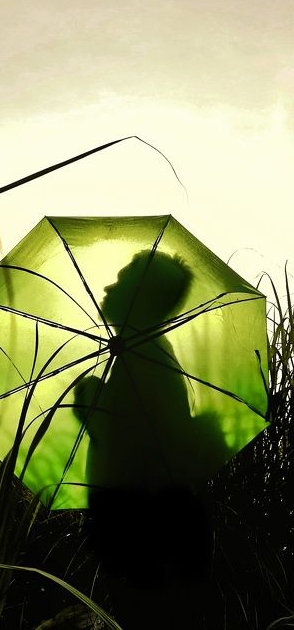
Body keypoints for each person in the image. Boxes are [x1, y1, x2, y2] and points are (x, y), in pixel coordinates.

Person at [73, 251, 227, 628]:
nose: (108, 287)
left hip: (145, 535)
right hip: (153, 530)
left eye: (122, 280)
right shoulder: (145, 355)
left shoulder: (145, 360)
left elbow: (134, 454)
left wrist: (91, 403)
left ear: (141, 297)